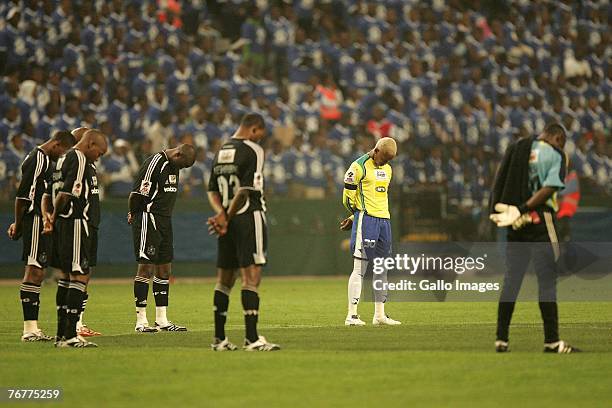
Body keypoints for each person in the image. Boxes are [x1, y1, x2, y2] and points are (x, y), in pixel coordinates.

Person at [490, 123, 580, 353]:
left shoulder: (518, 147)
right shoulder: (557, 154)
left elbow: (500, 181)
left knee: (511, 281)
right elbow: (550, 187)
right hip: (540, 220)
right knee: (547, 283)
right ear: (558, 138)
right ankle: (552, 341)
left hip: (514, 222)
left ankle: (501, 340)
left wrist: (501, 210)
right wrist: (523, 208)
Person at [207, 113, 280, 351]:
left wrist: (221, 215)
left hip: (227, 222)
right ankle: (252, 338)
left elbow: (211, 191)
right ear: (255, 130)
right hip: (249, 216)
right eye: (261, 135)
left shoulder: (221, 150)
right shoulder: (253, 150)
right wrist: (227, 216)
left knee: (224, 280)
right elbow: (247, 190)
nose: (260, 140)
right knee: (251, 277)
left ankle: (219, 339)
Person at [7, 130, 76, 342]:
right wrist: (18, 224)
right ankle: (29, 330)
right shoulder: (38, 158)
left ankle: (33, 329)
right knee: (34, 271)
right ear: (56, 144)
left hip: (41, 219)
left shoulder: (45, 159)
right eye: (63, 151)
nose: (62, 156)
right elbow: (22, 196)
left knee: (39, 271)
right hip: (34, 218)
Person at [44, 129, 108, 348]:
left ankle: (62, 334)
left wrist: (51, 218)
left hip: (64, 225)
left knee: (66, 277)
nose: (98, 158)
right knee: (79, 276)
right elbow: (67, 193)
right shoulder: (79, 158)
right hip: (76, 222)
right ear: (90, 144)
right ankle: (71, 335)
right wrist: (53, 216)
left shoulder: (61, 159)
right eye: (99, 153)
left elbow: (48, 193)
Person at [128, 143, 196, 332]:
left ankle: (162, 320)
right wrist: (133, 213)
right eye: (183, 165)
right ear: (178, 154)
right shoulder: (154, 163)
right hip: (148, 218)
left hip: (166, 220)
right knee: (146, 267)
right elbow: (136, 194)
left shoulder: (175, 165)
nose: (181, 169)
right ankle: (141, 321)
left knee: (165, 269)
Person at [340, 137, 401, 326]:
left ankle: (379, 315)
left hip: (385, 221)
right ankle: (352, 315)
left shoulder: (388, 169)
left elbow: (377, 197)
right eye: (383, 157)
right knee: (360, 268)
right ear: (376, 150)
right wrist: (356, 217)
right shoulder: (358, 167)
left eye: (389, 160)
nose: (385, 162)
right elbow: (347, 198)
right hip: (366, 221)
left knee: (381, 268)